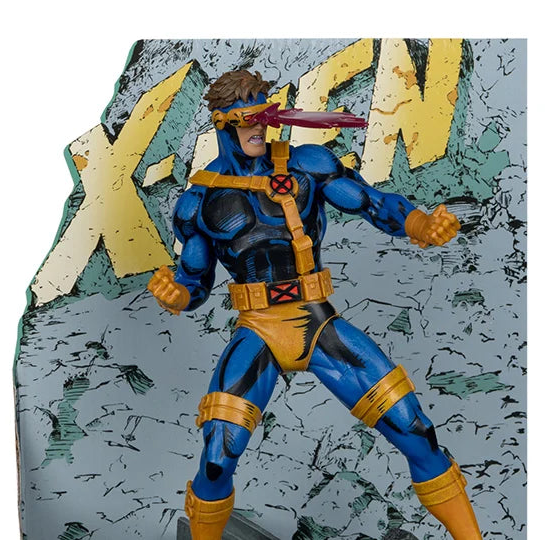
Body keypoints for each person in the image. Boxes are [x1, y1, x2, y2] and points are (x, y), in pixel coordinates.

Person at [148, 70, 481, 540]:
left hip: (317, 322)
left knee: (415, 430)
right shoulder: (198, 202)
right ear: (223, 123)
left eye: (266, 114)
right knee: (218, 456)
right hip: (258, 331)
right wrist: (176, 295)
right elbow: (195, 282)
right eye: (249, 119)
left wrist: (420, 225)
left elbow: (371, 203)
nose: (261, 127)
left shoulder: (307, 165)